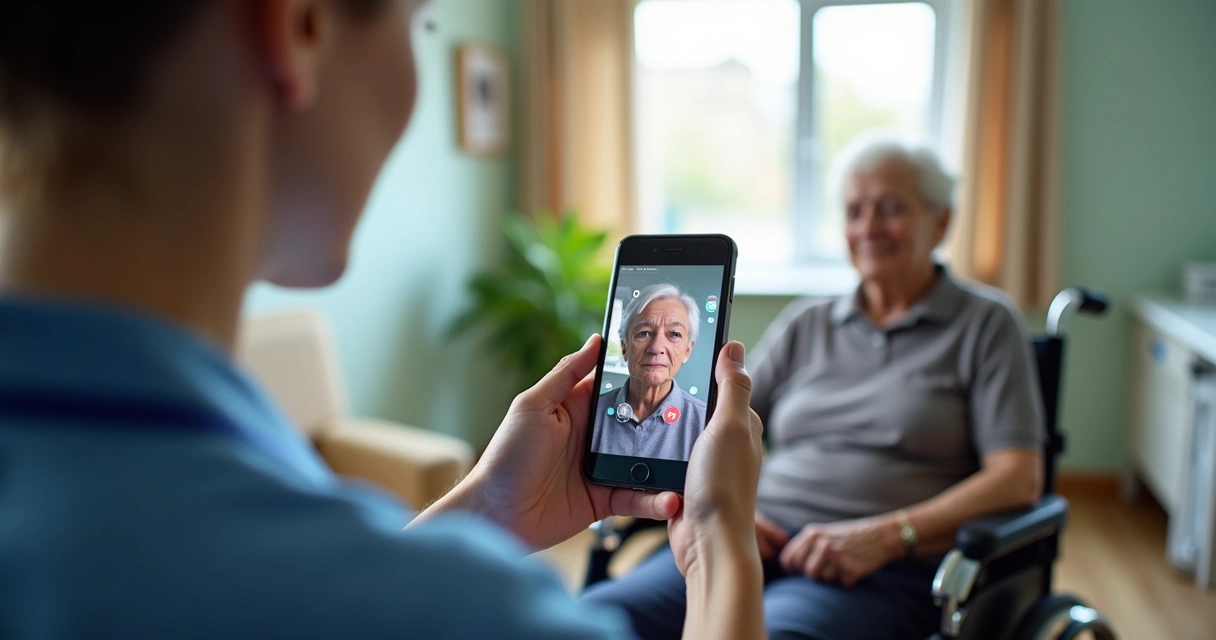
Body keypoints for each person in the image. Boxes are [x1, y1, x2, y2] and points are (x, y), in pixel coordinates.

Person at [0, 2, 766, 638]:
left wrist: (485, 513)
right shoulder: (472, 619)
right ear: (297, 26)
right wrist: (718, 537)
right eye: (419, 26)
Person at [582, 134, 1046, 639]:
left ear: (941, 221)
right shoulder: (808, 321)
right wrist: (727, 512)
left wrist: (887, 537)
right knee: (597, 622)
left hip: (878, 568)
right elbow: (714, 426)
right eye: (854, 211)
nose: (868, 227)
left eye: (890, 209)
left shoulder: (985, 323)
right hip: (752, 536)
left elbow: (1017, 477)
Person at [592, 284, 707, 461]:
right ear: (624, 346)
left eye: (674, 334)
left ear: (687, 351)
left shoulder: (707, 423)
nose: (656, 348)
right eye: (644, 333)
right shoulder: (590, 413)